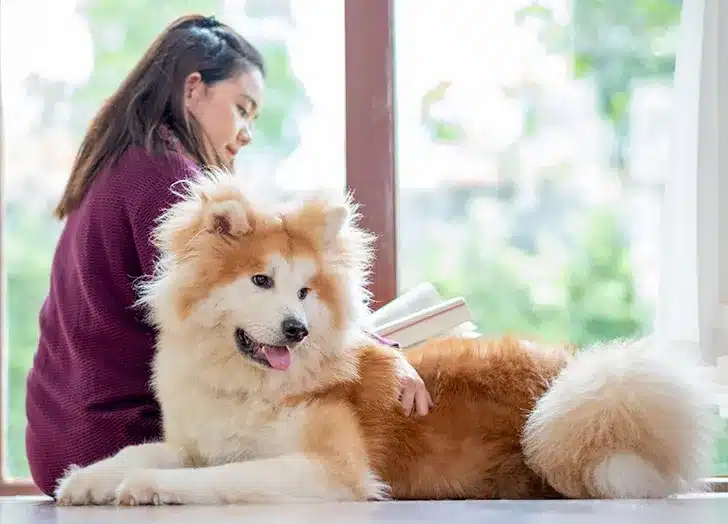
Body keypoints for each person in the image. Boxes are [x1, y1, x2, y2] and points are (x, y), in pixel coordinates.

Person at [24, 14, 433, 497]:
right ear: (194, 90)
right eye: (242, 109)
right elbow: (207, 294)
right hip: (119, 441)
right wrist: (382, 352)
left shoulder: (117, 163)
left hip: (58, 432)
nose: (246, 133)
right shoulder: (169, 179)